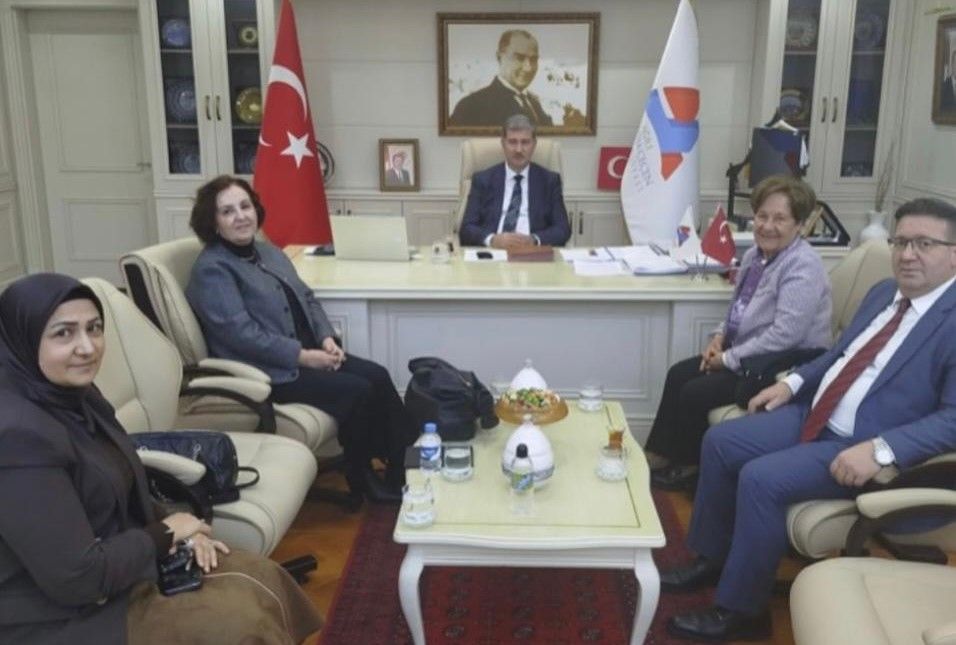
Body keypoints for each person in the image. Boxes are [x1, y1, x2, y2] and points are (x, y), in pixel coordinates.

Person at [660, 197, 956, 642]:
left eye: (924, 244)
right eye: (900, 242)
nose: (907, 254)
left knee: (761, 478)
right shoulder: (884, 293)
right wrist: (792, 384)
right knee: (721, 441)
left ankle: (741, 611)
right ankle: (711, 559)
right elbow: (840, 356)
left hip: (862, 442)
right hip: (817, 411)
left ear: (954, 254)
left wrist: (881, 450)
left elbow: (953, 419)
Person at [0, 273, 322, 644]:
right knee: (239, 626)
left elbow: (125, 483)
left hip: (121, 568)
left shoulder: (79, 396)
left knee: (263, 576)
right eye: (64, 333)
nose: (87, 347)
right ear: (23, 338)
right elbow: (77, 579)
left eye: (94, 328)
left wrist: (182, 531)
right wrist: (166, 534)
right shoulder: (18, 436)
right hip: (59, 616)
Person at [185, 176, 416, 504]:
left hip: (309, 352)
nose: (240, 216)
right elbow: (242, 335)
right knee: (359, 391)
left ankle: (404, 465)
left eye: (245, 206)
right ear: (213, 222)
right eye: (227, 211)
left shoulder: (269, 253)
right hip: (269, 371)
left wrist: (326, 337)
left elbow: (307, 297)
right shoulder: (213, 270)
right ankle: (362, 477)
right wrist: (303, 357)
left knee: (377, 375)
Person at [644, 176, 832, 490]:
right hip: (748, 354)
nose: (767, 226)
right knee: (678, 374)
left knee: (695, 393)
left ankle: (691, 470)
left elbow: (786, 335)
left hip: (783, 364)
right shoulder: (754, 256)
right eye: (762, 216)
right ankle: (660, 456)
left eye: (780, 219)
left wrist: (728, 358)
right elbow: (737, 310)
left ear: (799, 225)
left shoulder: (803, 266)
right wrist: (719, 339)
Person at [458, 114, 571, 249]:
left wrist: (534, 240)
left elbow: (563, 229)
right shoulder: (483, 180)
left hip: (533, 253)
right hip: (493, 253)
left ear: (534, 144)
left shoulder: (549, 181)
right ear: (503, 144)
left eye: (525, 142)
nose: (518, 149)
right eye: (512, 142)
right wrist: (492, 240)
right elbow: (466, 229)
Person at [449, 29, 553, 127]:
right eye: (519, 58)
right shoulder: (472, 106)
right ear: (499, 58)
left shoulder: (534, 104)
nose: (528, 68)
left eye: (533, 59)